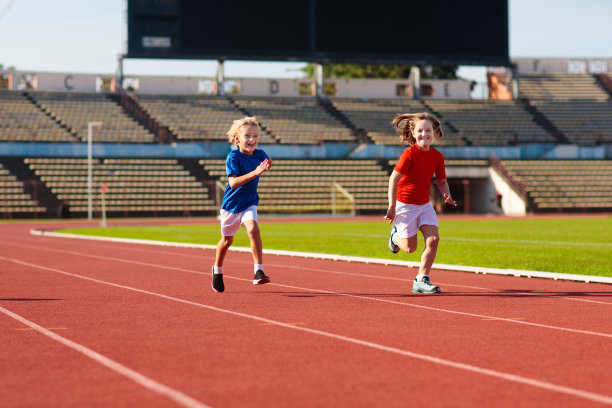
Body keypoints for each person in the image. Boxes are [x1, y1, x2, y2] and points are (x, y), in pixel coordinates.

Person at [384, 113, 457, 294]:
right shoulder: (409, 154)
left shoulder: (437, 156)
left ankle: (421, 279)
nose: (424, 134)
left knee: (433, 240)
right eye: (420, 130)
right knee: (410, 248)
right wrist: (392, 207)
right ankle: (394, 237)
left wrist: (446, 194)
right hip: (405, 204)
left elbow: (441, 180)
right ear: (414, 133)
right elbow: (393, 179)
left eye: (428, 130)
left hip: (424, 205)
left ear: (435, 133)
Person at [211, 116, 272, 293]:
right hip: (231, 206)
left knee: (253, 229)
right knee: (227, 241)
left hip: (249, 203)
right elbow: (233, 183)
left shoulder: (260, 154)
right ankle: (217, 269)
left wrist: (267, 165)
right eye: (247, 136)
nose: (252, 140)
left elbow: (267, 161)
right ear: (237, 138)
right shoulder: (233, 157)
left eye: (255, 136)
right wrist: (255, 172)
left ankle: (258, 271)